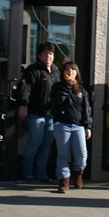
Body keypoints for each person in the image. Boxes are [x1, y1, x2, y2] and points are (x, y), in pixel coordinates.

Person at [18, 42, 61, 182]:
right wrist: (23, 105)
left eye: (51, 53)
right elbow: (26, 88)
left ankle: (41, 174)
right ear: (39, 55)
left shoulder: (56, 71)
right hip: (36, 113)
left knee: (47, 145)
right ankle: (26, 171)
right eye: (45, 53)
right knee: (35, 142)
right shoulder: (33, 70)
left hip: (51, 115)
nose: (48, 56)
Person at [50, 61, 92, 193]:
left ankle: (78, 175)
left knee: (81, 154)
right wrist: (67, 87)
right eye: (67, 70)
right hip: (62, 124)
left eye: (72, 70)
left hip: (78, 126)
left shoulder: (81, 89)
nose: (69, 72)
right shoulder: (58, 87)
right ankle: (64, 181)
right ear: (63, 73)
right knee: (63, 154)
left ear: (76, 73)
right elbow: (58, 102)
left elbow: (86, 109)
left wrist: (88, 126)